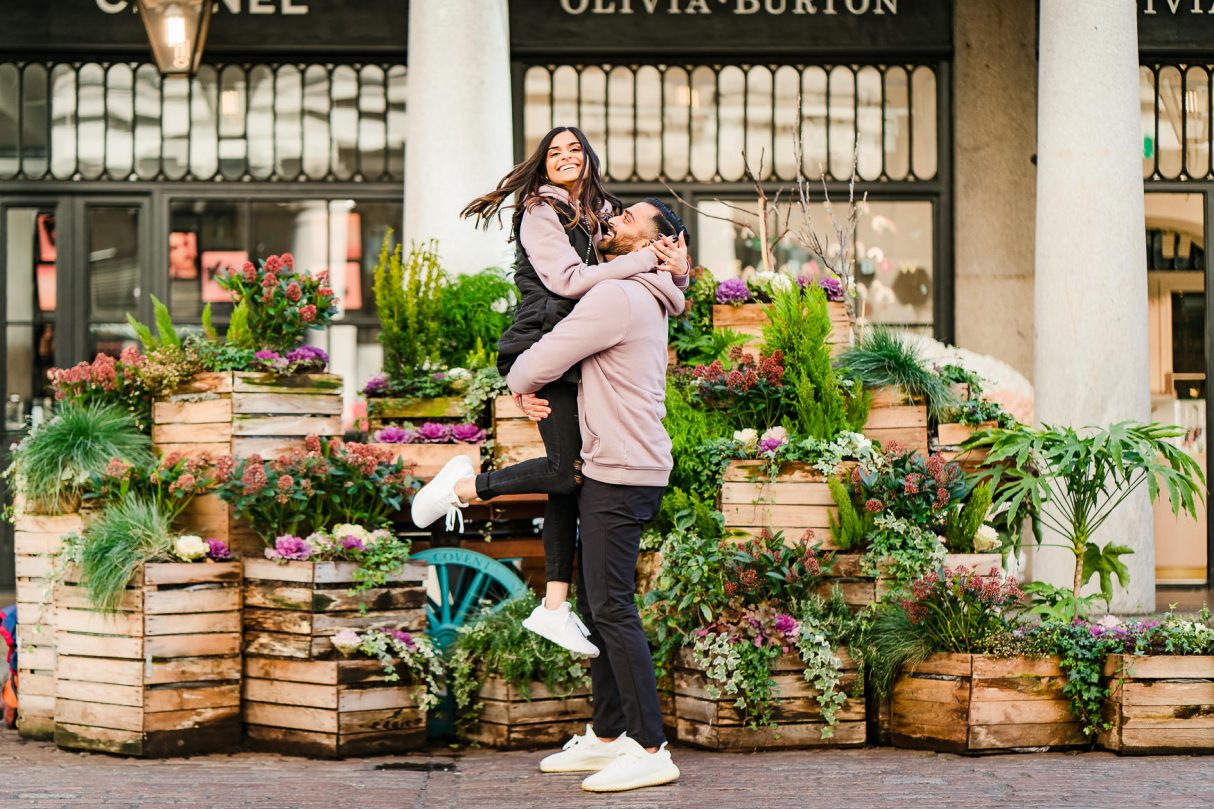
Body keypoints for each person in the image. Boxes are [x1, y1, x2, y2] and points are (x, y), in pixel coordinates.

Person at [410, 126, 686, 657]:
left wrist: (676, 267)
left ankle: (556, 608)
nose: (564, 157)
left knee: (573, 475)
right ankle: (464, 487)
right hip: (537, 342)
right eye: (554, 151)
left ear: (589, 158)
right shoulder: (540, 211)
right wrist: (647, 262)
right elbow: (564, 280)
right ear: (543, 163)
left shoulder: (603, 213)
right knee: (565, 470)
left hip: (568, 350)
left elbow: (651, 244)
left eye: (574, 148)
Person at [503, 226, 687, 793]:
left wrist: (515, 380)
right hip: (626, 463)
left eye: (629, 218)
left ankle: (651, 747)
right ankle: (609, 736)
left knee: (611, 607)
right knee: (600, 601)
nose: (613, 223)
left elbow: (546, 358)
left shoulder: (615, 295)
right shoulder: (653, 293)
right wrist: (678, 270)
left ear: (653, 242)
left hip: (619, 469)